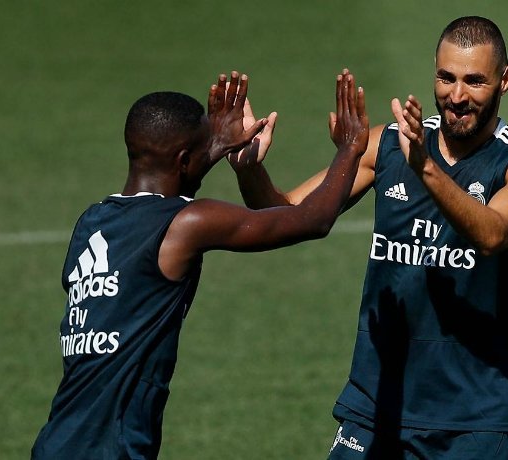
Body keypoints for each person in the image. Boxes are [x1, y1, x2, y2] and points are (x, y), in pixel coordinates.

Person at [230, 16, 508, 459]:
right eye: (446, 78)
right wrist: (249, 167)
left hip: (471, 418)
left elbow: (492, 234)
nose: (456, 96)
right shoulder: (386, 145)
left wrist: (426, 168)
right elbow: (287, 215)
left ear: (506, 80)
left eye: (474, 81)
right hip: (374, 403)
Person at [31, 70, 369, 459]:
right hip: (110, 450)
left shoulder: (92, 223)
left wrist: (217, 147)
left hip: (57, 442)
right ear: (183, 159)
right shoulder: (185, 224)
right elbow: (312, 220)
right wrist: (349, 149)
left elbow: (176, 178)